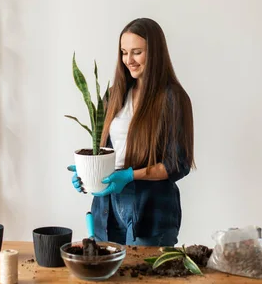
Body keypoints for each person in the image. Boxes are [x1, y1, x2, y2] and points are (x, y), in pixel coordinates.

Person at [68, 17, 195, 246]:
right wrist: (88, 175)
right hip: (106, 210)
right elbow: (104, 150)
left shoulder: (173, 98)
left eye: (137, 52)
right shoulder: (113, 95)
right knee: (106, 278)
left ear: (155, 53)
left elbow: (178, 164)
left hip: (150, 212)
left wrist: (129, 175)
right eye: (124, 52)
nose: (129, 60)